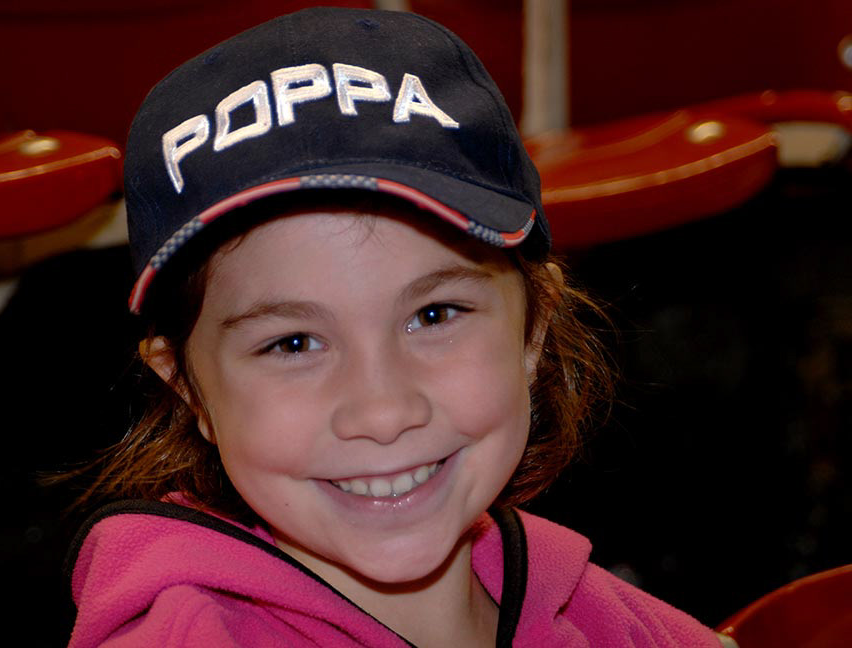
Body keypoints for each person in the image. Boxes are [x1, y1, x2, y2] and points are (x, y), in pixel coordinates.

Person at [64, 7, 728, 647]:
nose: (382, 413)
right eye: (292, 344)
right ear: (187, 388)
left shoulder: (592, 608)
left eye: (434, 315)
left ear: (534, 330)